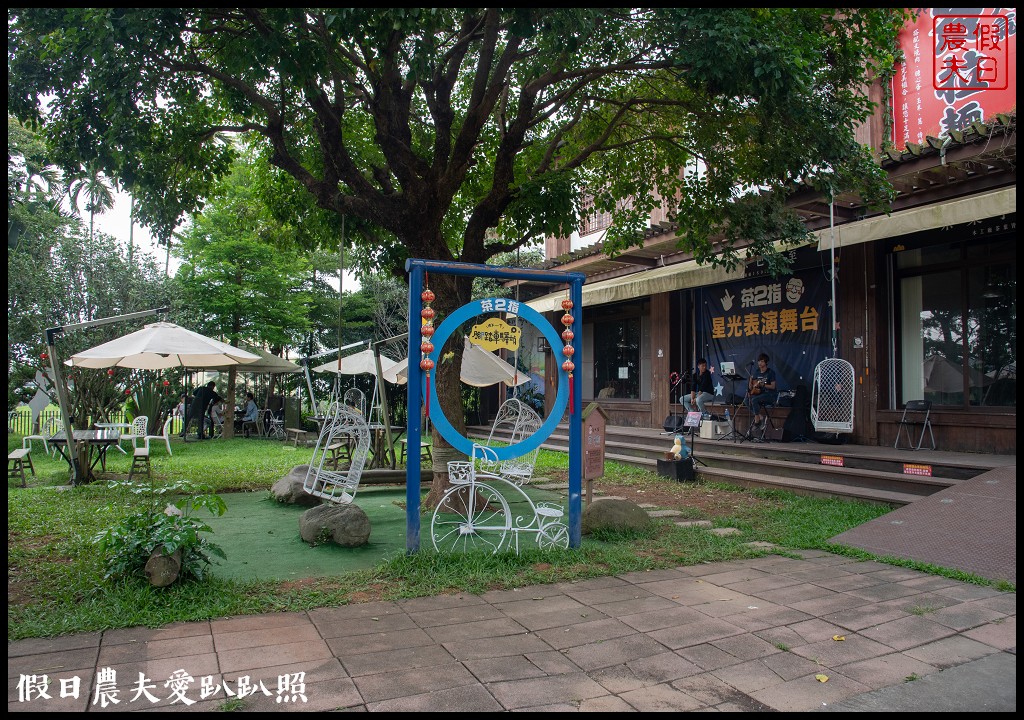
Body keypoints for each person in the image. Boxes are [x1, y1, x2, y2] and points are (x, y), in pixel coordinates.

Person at [745, 352, 779, 435]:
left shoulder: (770, 372)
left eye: (762, 361)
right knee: (747, 400)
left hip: (770, 395)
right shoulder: (756, 372)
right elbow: (752, 388)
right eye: (759, 361)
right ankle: (759, 416)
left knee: (755, 400)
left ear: (766, 362)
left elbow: (773, 386)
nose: (760, 363)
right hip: (760, 394)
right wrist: (750, 382)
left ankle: (757, 421)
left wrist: (763, 384)